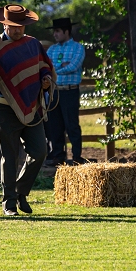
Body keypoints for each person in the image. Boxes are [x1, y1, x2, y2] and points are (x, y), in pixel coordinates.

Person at [0, 4, 54, 216]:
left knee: (39, 151)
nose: (18, 30)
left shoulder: (33, 44)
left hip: (32, 107)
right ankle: (9, 202)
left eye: (21, 26)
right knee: (9, 156)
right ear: (4, 24)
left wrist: (46, 79)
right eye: (13, 26)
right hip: (4, 109)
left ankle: (20, 191)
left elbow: (44, 66)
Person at [44, 18, 86, 166]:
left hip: (70, 91)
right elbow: (46, 67)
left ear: (66, 32)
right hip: (55, 91)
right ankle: (58, 156)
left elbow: (73, 67)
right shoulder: (51, 50)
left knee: (72, 124)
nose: (54, 34)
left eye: (57, 31)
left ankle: (76, 156)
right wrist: (60, 67)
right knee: (55, 125)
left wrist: (55, 70)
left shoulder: (78, 48)